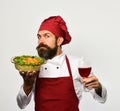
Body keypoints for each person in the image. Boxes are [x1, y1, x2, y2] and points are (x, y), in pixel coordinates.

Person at [17, 15, 107, 111]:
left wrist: (98, 87)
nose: (41, 41)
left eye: (47, 36)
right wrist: (27, 85)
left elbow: (102, 99)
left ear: (59, 41)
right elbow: (21, 105)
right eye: (39, 37)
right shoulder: (34, 67)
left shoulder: (77, 64)